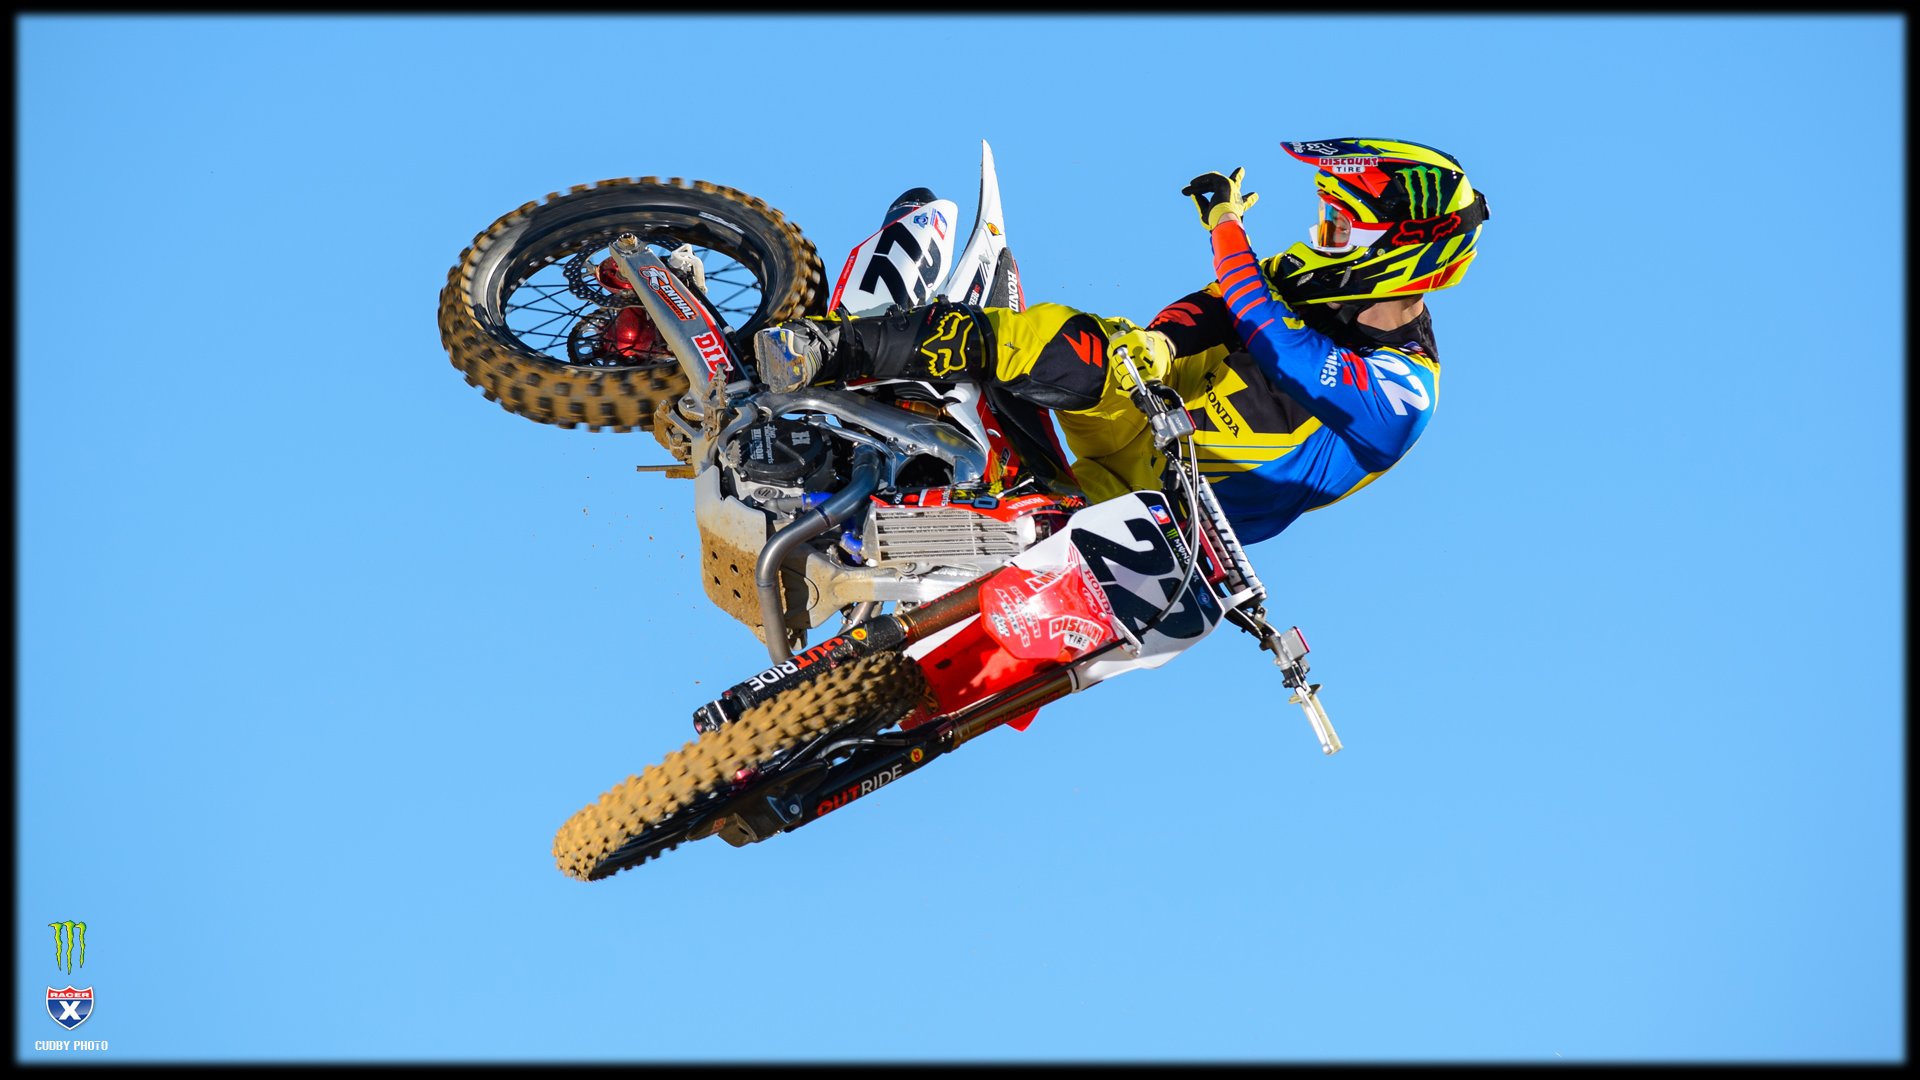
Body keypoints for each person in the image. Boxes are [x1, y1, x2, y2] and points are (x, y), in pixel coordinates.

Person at [752, 138, 1490, 544]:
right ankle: (826, 349)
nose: (1320, 236)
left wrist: (1226, 227)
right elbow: (1220, 306)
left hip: (1166, 516)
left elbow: (1278, 342)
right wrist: (1163, 343)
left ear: (1400, 248)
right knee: (1078, 345)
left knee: (1031, 575)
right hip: (1142, 410)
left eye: (1340, 225)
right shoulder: (1311, 274)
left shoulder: (1403, 394)